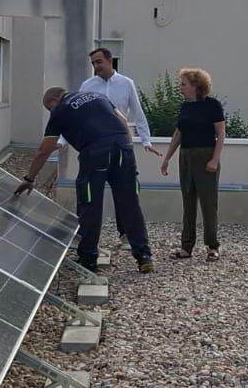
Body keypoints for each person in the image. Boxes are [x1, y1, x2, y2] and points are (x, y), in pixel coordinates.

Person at [16, 87, 155, 274]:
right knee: (129, 202)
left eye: (49, 108)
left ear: (53, 101)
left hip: (95, 152)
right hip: (123, 148)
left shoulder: (61, 109)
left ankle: (88, 259)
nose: (50, 112)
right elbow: (123, 121)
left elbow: (43, 150)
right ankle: (144, 256)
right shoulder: (98, 96)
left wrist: (29, 178)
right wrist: (127, 150)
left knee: (90, 204)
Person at [79, 46, 158, 250]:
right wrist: (62, 141)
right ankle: (88, 240)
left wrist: (146, 140)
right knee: (92, 193)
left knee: (125, 192)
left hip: (121, 146)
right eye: (93, 64)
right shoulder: (87, 86)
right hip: (95, 147)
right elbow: (76, 114)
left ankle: (127, 235)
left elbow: (137, 112)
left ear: (110, 61)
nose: (96, 67)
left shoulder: (126, 83)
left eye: (99, 62)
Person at [159, 67, 226, 262]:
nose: (181, 87)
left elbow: (221, 133)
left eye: (183, 84)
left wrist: (215, 159)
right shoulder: (185, 107)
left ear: (196, 85)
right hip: (186, 155)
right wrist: (167, 158)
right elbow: (178, 132)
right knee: (188, 202)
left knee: (208, 203)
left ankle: (212, 246)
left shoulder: (212, 105)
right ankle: (186, 246)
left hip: (205, 155)